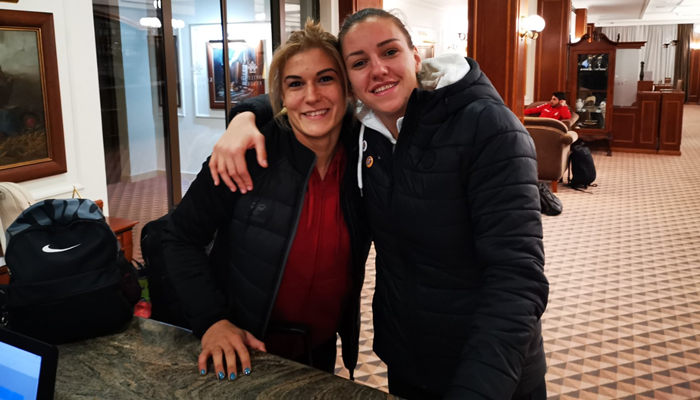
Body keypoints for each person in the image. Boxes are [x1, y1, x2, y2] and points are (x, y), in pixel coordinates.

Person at [209, 9, 548, 399]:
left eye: (389, 52)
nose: (378, 70)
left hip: (491, 371)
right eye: (359, 63)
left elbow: (517, 279)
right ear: (349, 80)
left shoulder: (488, 127)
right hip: (407, 362)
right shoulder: (362, 130)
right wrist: (244, 116)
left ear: (416, 56)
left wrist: (480, 386)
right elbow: (305, 97)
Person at [162, 20, 371, 383]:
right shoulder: (245, 155)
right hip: (244, 348)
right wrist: (212, 321)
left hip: (318, 350)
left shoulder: (366, 155)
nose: (311, 96)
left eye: (325, 79)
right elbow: (178, 237)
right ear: (282, 96)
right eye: (295, 84)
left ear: (347, 87)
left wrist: (246, 112)